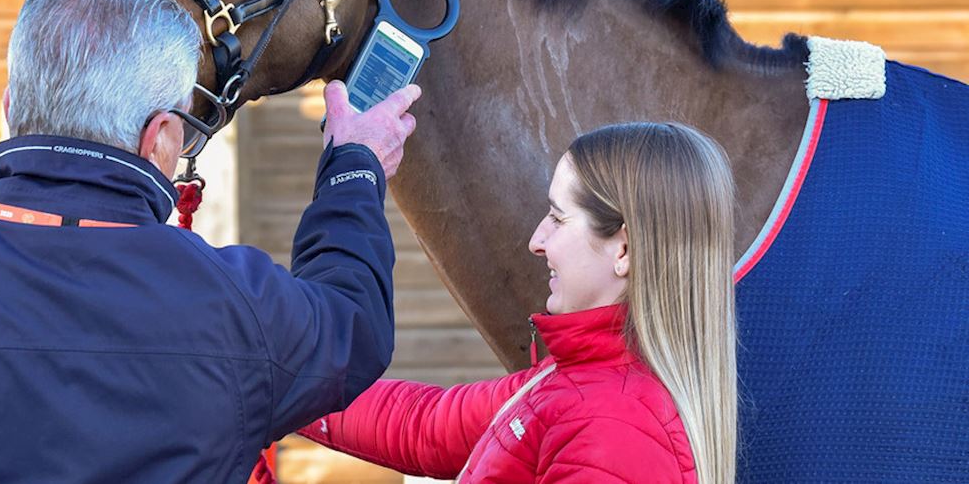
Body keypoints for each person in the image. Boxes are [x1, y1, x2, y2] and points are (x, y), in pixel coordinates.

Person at [0, 0, 420, 482]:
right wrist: (353, 166)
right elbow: (352, 326)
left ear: (10, 110)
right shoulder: (240, 307)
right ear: (162, 137)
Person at [301, 122, 737, 483]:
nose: (536, 241)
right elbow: (424, 426)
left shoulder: (615, 431)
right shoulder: (578, 378)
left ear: (623, 250)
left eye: (557, 217)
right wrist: (271, 377)